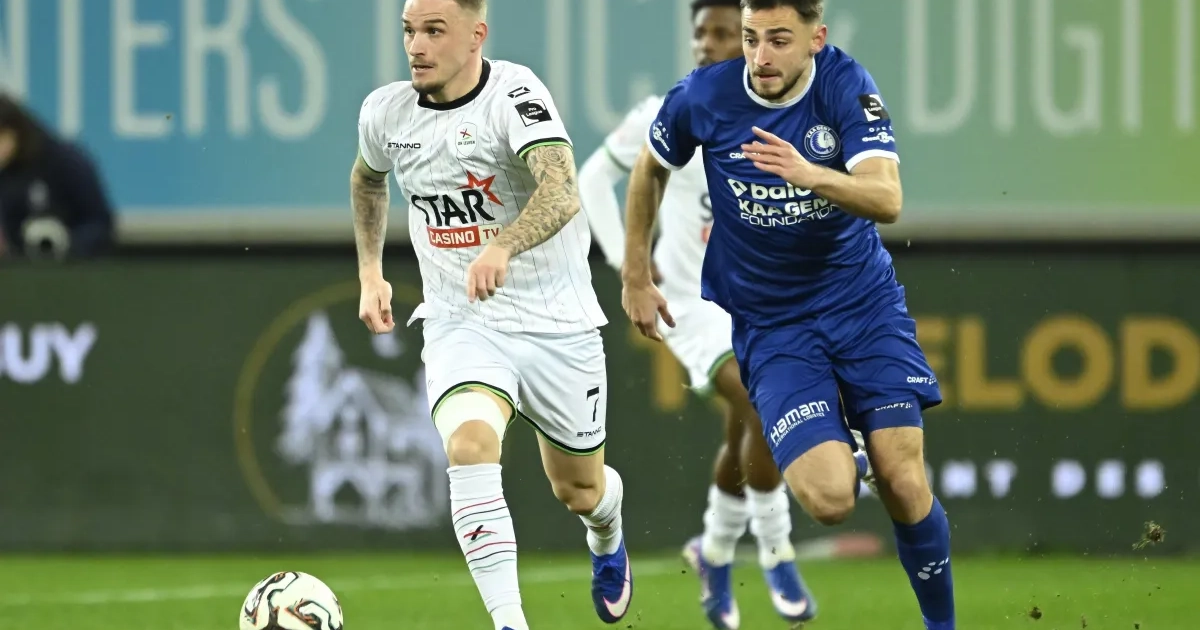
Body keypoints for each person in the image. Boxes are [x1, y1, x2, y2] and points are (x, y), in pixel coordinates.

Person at [620, 1, 956, 629]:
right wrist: (635, 273)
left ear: (815, 38)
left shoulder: (845, 86)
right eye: (752, 38)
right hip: (773, 323)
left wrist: (810, 174)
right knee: (830, 501)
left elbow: (887, 198)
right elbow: (648, 169)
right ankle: (837, 462)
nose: (760, 56)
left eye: (779, 39)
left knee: (905, 479)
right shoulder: (705, 95)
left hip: (861, 306)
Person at [579, 2, 873, 627]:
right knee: (763, 401)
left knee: (751, 423)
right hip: (692, 302)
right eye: (701, 33)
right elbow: (594, 178)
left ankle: (714, 552)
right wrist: (631, 265)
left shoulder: (797, 113)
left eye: (722, 33)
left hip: (765, 299)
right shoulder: (676, 108)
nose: (707, 44)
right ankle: (777, 550)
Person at [350, 1, 632, 628]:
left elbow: (561, 189)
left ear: (477, 34)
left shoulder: (514, 93)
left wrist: (503, 245)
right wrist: (371, 271)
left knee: (579, 490)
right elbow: (367, 180)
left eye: (434, 31)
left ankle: (607, 530)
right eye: (409, 31)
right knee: (470, 445)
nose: (416, 46)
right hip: (462, 320)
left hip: (556, 323)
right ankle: (510, 622)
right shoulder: (385, 113)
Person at [0, 95, 114, 261]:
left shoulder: (66, 162)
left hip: (77, 264)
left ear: (17, 132)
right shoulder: (5, 172)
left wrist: (70, 244)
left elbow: (99, 221)